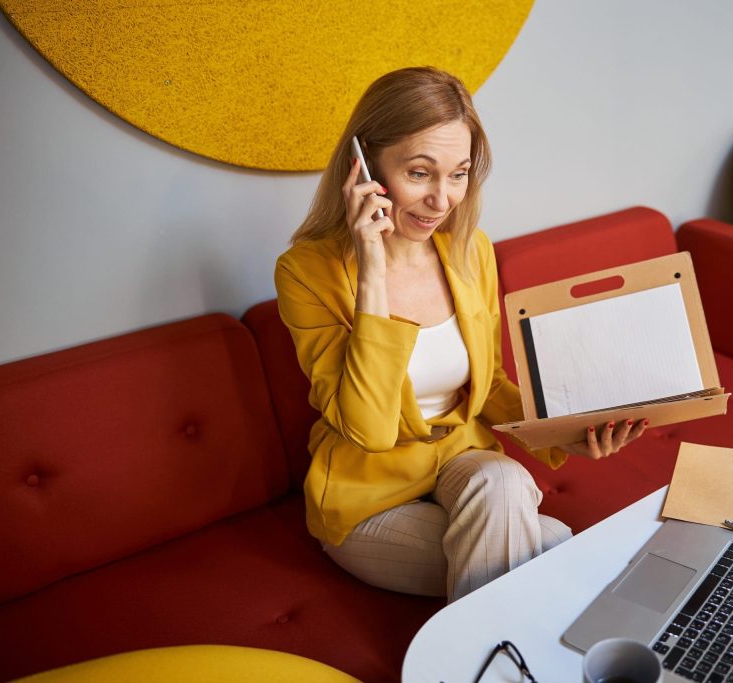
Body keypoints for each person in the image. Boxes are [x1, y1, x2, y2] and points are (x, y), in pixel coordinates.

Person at [275, 66, 647, 603]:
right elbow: (369, 429)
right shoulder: (306, 272)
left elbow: (488, 383)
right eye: (420, 173)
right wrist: (373, 269)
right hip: (367, 495)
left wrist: (563, 433)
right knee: (556, 545)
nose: (442, 199)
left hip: (462, 463)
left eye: (459, 174)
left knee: (504, 480)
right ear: (365, 166)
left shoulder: (470, 250)